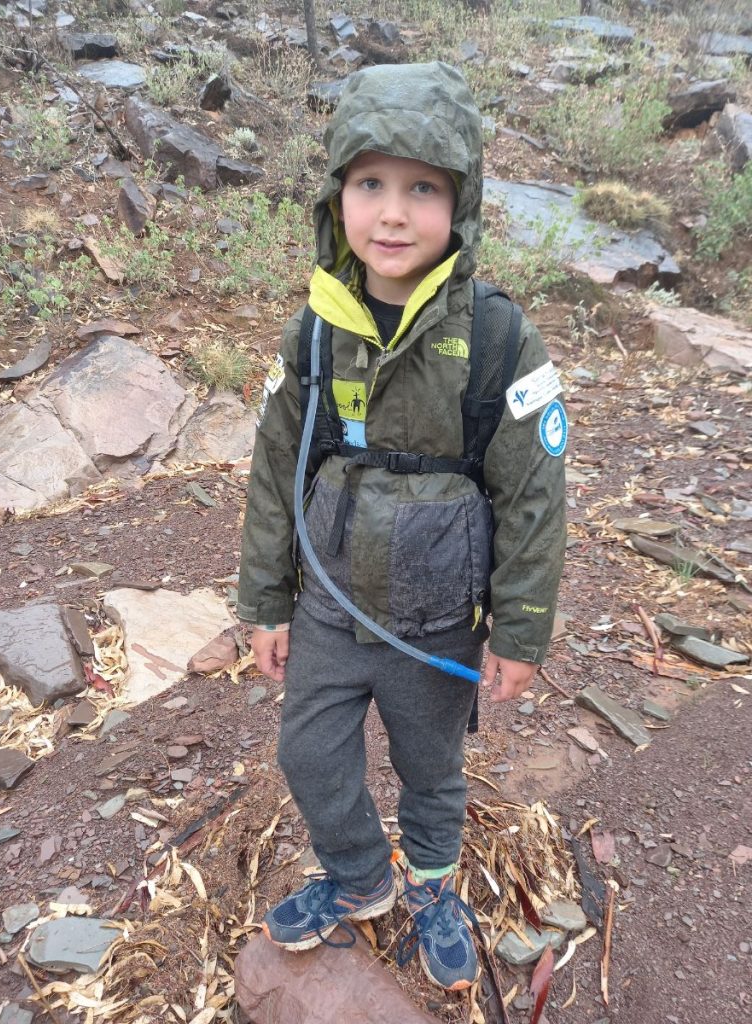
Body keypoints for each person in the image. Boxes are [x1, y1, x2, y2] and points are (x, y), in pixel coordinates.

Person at [236, 61, 566, 992]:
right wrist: (264, 602)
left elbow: (535, 498)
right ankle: (358, 879)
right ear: (336, 195)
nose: (391, 213)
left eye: (421, 188)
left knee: (431, 769)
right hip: (332, 608)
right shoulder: (313, 329)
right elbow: (274, 471)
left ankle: (429, 884)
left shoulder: (502, 339)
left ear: (458, 204)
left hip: (435, 625)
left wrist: (522, 631)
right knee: (308, 752)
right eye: (369, 183)